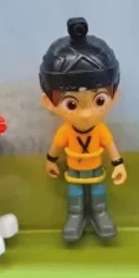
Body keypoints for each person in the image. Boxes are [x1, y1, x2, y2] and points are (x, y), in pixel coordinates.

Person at [39, 17, 127, 243]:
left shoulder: (101, 131)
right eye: (71, 104)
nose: (86, 114)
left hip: (96, 171)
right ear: (49, 102)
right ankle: (75, 217)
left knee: (98, 194)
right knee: (75, 195)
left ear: (114, 97)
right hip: (74, 172)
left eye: (99, 100)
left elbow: (110, 146)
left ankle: (100, 214)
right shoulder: (65, 132)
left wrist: (118, 164)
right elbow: (56, 147)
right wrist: (50, 161)